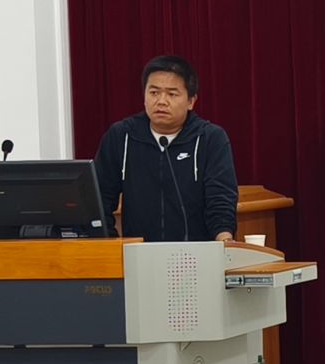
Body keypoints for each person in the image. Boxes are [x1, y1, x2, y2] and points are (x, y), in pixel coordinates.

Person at [94, 55, 239, 243]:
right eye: (154, 92)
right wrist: (112, 246)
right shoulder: (122, 136)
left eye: (172, 94)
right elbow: (100, 200)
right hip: (137, 253)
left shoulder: (210, 139)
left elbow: (220, 199)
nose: (161, 101)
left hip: (196, 252)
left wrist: (224, 239)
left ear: (191, 101)